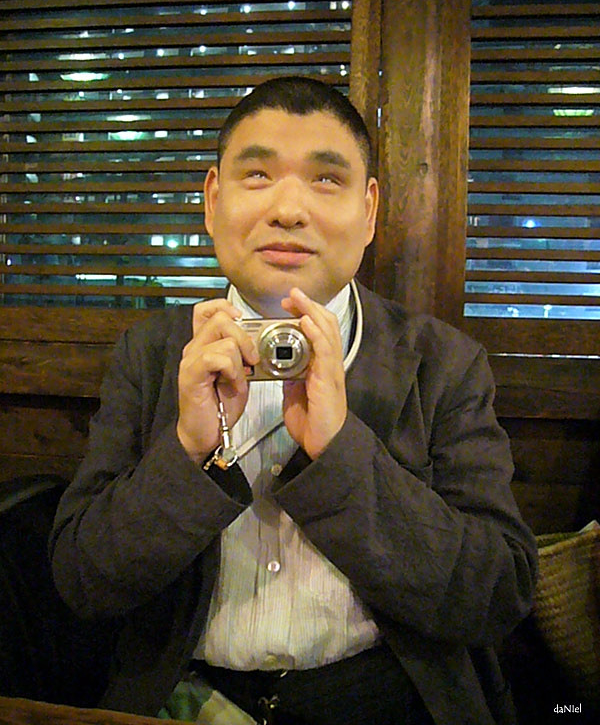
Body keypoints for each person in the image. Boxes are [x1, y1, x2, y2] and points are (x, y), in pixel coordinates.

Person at [50, 76, 538, 725]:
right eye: (257, 175)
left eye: (326, 179)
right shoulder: (152, 354)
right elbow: (82, 580)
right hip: (186, 697)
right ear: (212, 201)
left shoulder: (443, 364)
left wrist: (340, 453)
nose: (288, 209)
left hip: (384, 701)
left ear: (369, 210)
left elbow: (497, 594)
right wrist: (187, 449)